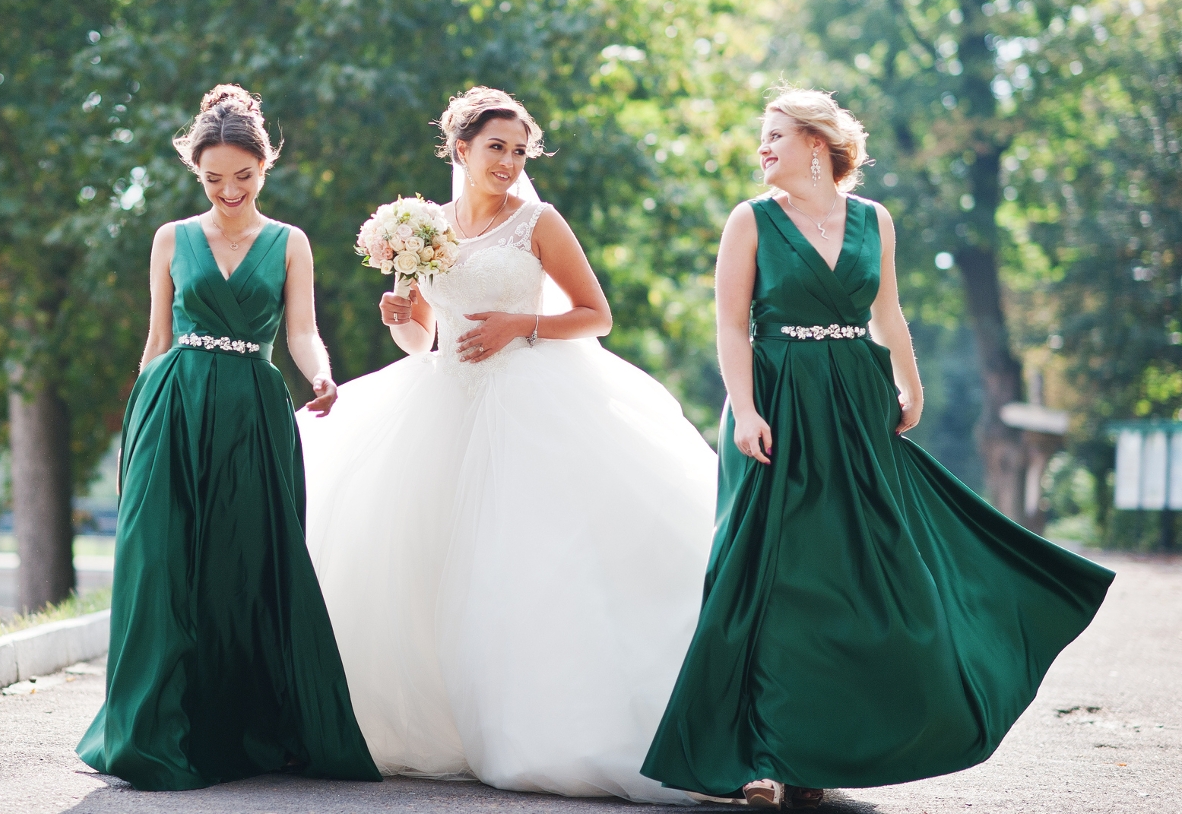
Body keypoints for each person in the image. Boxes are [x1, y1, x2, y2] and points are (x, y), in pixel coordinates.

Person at [640, 88, 1115, 809]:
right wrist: (743, 410)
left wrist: (910, 381)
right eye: (761, 137)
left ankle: (817, 747)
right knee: (766, 576)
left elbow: (886, 309)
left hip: (858, 404)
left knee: (853, 576)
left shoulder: (873, 221)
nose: (761, 148)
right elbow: (731, 326)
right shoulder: (751, 220)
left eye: (775, 135)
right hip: (776, 406)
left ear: (816, 144)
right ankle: (755, 753)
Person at [294, 87, 716, 803]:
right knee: (426, 559)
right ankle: (444, 725)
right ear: (459, 149)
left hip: (529, 401)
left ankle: (547, 723)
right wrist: (399, 310)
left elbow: (596, 315)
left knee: (525, 563)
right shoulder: (423, 227)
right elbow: (420, 334)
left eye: (519, 151)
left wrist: (520, 325)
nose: (509, 162)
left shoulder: (539, 222)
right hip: (444, 400)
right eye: (496, 148)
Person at [77, 85, 380, 791]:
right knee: (162, 565)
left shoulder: (289, 243)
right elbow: (156, 340)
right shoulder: (170, 238)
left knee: (246, 565)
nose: (229, 190)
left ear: (264, 167)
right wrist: (139, 430)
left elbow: (301, 329)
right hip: (173, 407)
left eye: (242, 176)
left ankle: (246, 730)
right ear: (197, 173)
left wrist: (321, 375)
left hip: (251, 408)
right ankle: (151, 734)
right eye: (213, 179)